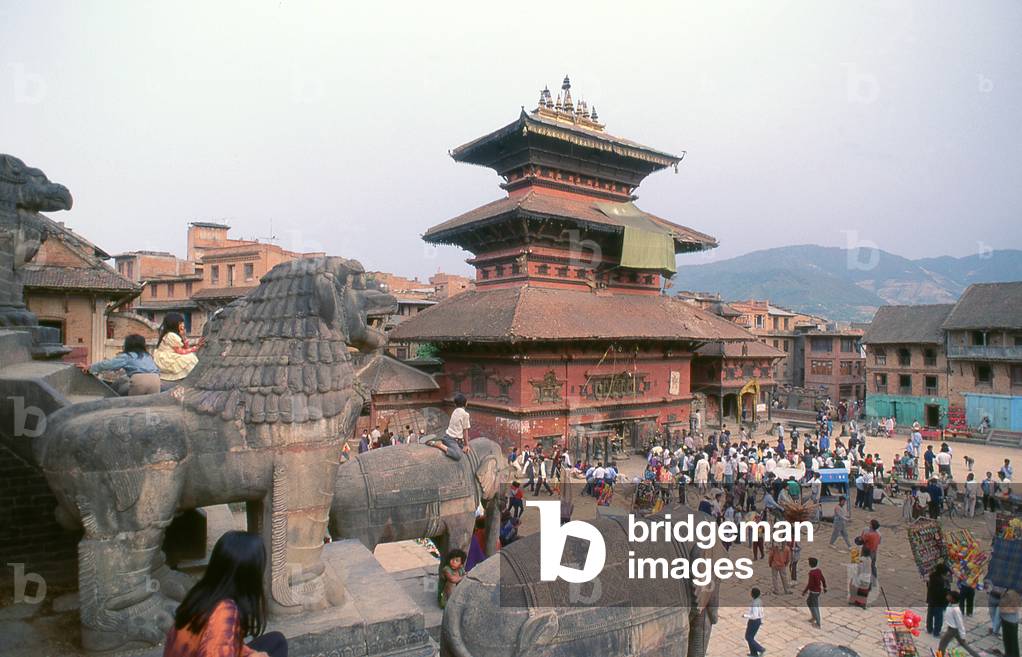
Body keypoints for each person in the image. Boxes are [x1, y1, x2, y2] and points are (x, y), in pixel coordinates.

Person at [164, 530, 287, 657]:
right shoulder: (224, 612)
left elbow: (224, 645)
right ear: (250, 575)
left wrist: (251, 654)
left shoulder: (202, 593)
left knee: (276, 641)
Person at [86, 334, 161, 395]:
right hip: (156, 380)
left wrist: (90, 367)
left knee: (134, 404)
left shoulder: (127, 356)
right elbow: (156, 369)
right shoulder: (147, 356)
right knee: (150, 404)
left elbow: (109, 364)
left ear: (127, 345)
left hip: (139, 380)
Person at [153, 313, 201, 382]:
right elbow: (181, 351)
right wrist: (195, 348)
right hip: (167, 358)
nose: (183, 325)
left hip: (170, 355)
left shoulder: (173, 334)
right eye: (180, 323)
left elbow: (186, 348)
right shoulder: (171, 335)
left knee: (190, 356)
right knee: (190, 357)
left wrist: (183, 336)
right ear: (174, 324)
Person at [938, 591, 983, 657]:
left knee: (942, 644)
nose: (947, 596)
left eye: (949, 595)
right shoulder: (950, 604)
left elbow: (960, 623)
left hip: (952, 630)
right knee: (963, 644)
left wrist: (963, 635)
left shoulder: (956, 609)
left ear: (952, 598)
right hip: (953, 629)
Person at [430, 393, 471, 460]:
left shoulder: (455, 411)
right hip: (452, 440)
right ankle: (440, 445)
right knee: (457, 455)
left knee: (460, 446)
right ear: (466, 403)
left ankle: (438, 441)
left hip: (449, 437)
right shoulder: (465, 414)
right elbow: (465, 430)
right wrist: (466, 445)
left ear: (455, 404)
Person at [926, 563, 949, 638]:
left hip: (931, 600)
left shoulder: (931, 577)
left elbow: (928, 586)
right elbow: (941, 592)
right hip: (939, 602)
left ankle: (929, 629)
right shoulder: (941, 581)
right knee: (938, 618)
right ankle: (936, 632)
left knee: (930, 615)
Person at [803, 557, 827, 628]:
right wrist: (825, 587)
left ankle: (818, 622)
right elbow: (823, 579)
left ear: (810, 564)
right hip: (818, 591)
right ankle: (814, 617)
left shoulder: (811, 573)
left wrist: (804, 591)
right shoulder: (818, 571)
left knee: (814, 606)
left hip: (813, 591)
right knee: (809, 602)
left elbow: (810, 584)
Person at [743, 587, 765, 657]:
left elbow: (754, 616)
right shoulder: (759, 601)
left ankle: (760, 648)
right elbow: (761, 611)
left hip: (753, 621)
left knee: (748, 637)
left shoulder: (754, 603)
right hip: (758, 621)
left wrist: (745, 616)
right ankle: (753, 653)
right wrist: (761, 620)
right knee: (750, 637)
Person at [1001, 588, 1020, 657]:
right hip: (1005, 619)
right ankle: (1007, 654)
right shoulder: (1007, 590)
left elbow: (1016, 609)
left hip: (1011, 621)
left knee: (1013, 642)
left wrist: (1004, 609)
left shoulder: (1016, 593)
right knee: (1006, 640)